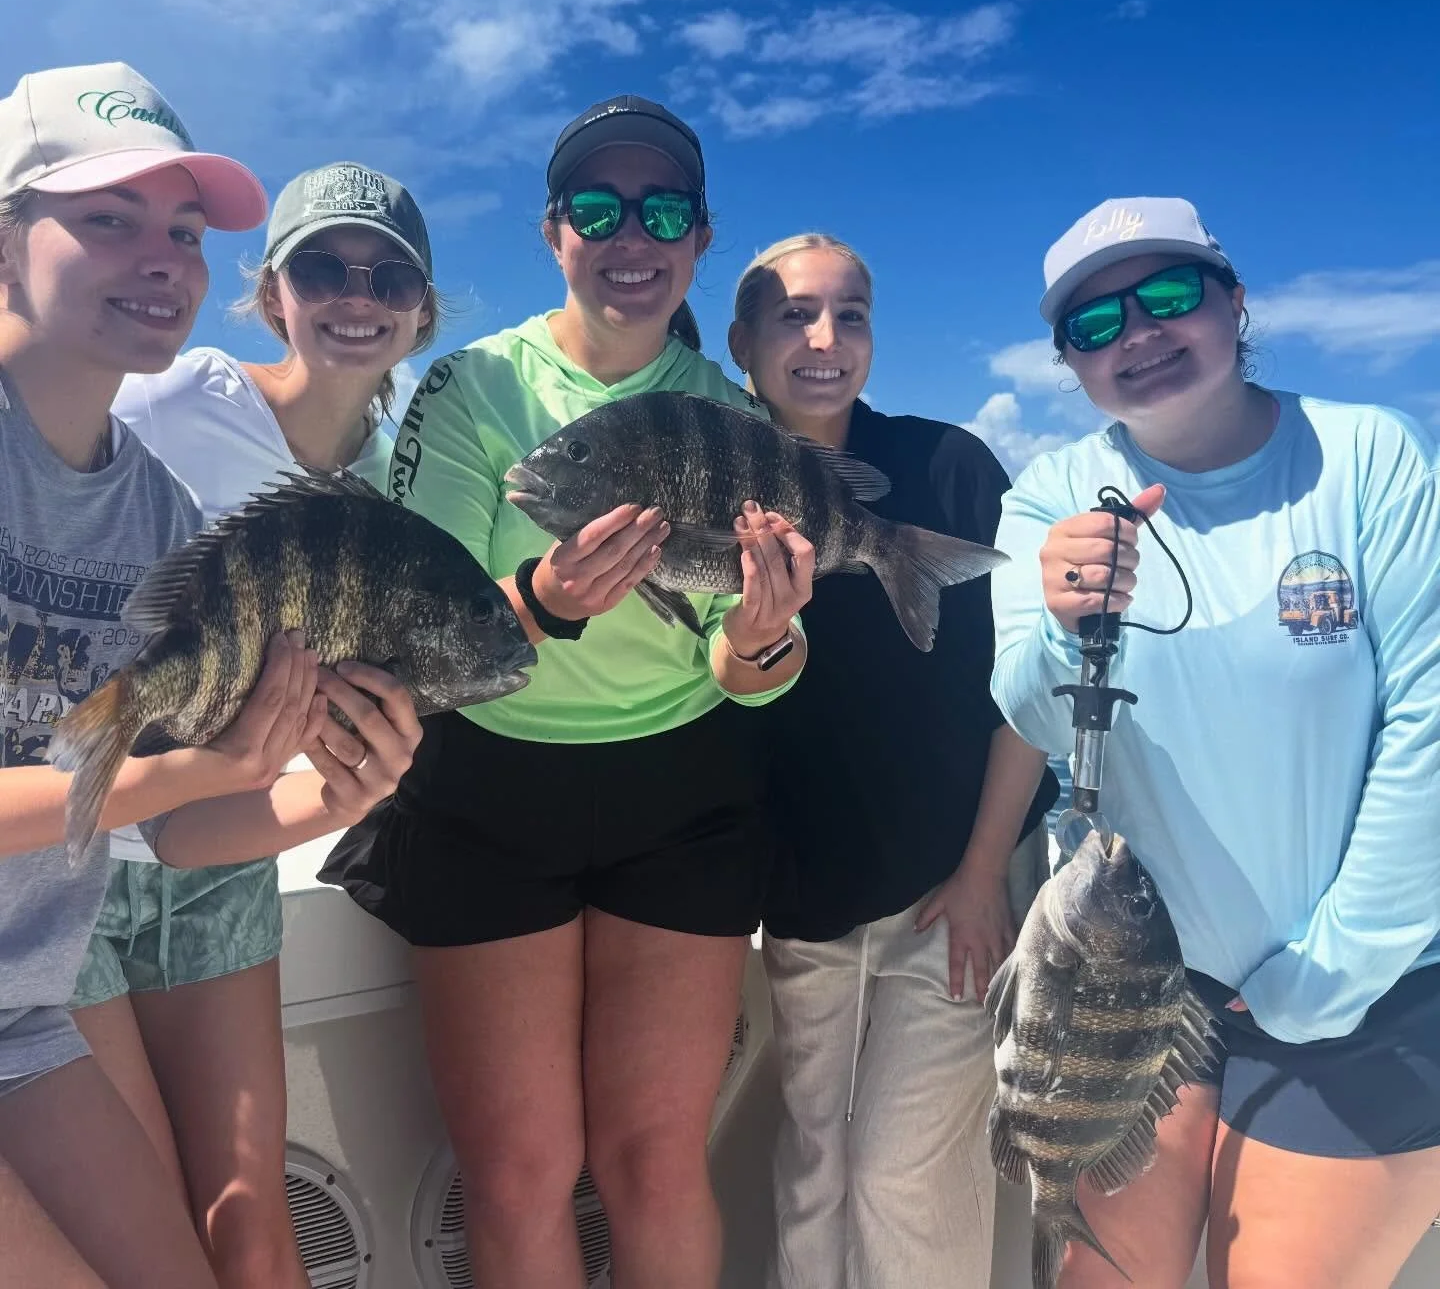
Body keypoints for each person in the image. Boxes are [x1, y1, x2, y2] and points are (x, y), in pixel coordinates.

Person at [324, 94, 814, 1289]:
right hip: (489, 792)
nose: (630, 234)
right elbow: (415, 621)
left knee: (654, 1163)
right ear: (555, 234)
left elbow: (750, 678)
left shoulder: (733, 416)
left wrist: (762, 638)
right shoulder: (475, 388)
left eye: (663, 210)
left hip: (684, 797)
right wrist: (543, 596)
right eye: (598, 208)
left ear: (699, 240)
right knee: (518, 1173)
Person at [0, 61, 421, 1289]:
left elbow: (181, 834)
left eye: (181, 231)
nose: (161, 258)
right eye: (109, 219)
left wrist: (331, 795)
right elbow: (153, 788)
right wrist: (195, 766)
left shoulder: (151, 510)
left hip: (21, 1014)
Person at [989, 196, 1440, 1288]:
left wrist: (1323, 975)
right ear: (1071, 362)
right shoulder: (1051, 495)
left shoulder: (1366, 454)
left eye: (1171, 295)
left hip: (1372, 991)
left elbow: (1428, 721)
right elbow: (1034, 714)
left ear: (1235, 303)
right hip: (1145, 985)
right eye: (1095, 325)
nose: (1138, 333)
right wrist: (1058, 626)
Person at [726, 233, 1057, 1289]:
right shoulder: (712, 478)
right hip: (806, 902)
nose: (825, 340)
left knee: (903, 1177)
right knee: (815, 1168)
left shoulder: (950, 469)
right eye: (794, 315)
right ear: (742, 342)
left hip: (952, 890)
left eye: (851, 314)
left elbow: (1031, 679)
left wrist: (980, 874)